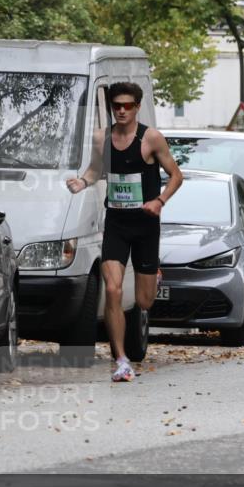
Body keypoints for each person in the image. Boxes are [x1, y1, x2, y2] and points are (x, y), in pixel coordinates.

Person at [66, 81, 184, 382]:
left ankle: (153, 276)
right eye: (116, 105)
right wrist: (82, 182)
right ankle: (121, 360)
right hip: (116, 224)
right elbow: (95, 170)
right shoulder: (100, 139)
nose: (121, 110)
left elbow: (176, 176)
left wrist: (159, 201)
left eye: (127, 106)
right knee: (114, 290)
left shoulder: (151, 139)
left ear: (137, 107)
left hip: (145, 225)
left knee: (144, 301)